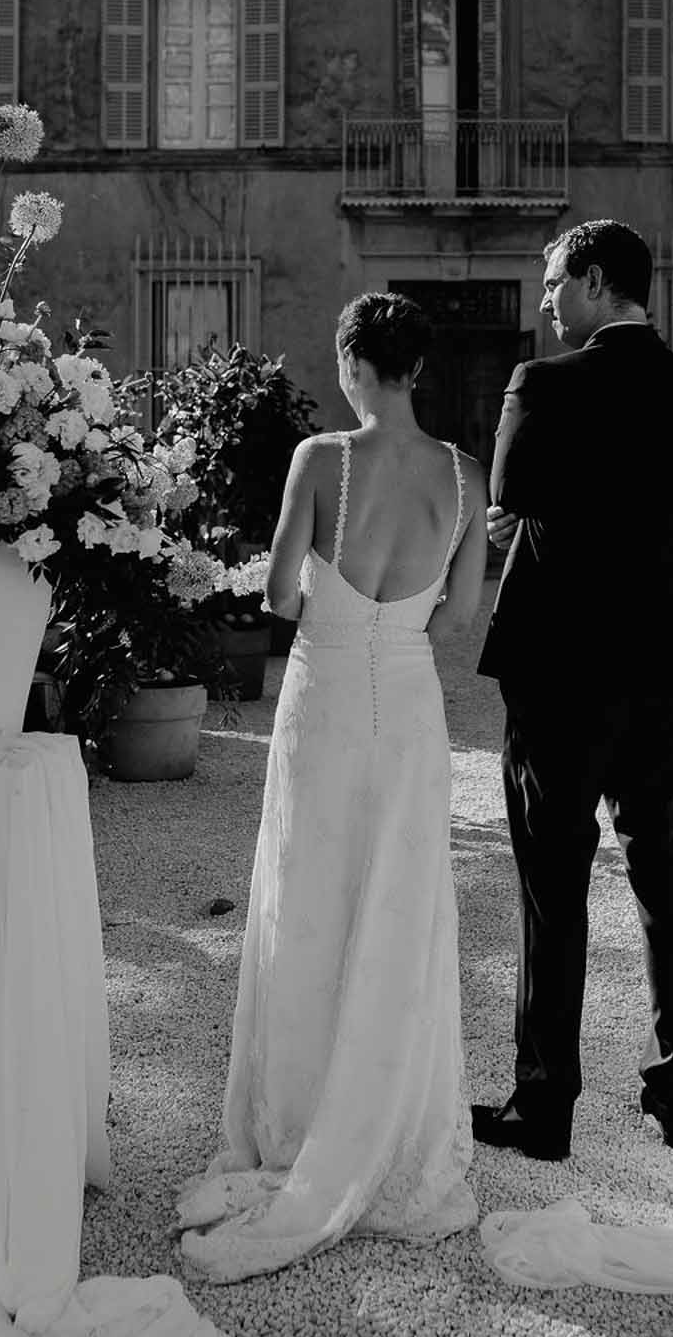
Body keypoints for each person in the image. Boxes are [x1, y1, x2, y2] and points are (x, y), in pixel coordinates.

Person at [175, 292, 488, 1281]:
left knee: (310, 897)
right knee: (398, 906)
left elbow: (275, 592)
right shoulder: (464, 474)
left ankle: (303, 1120)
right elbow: (462, 613)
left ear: (355, 362)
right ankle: (389, 1118)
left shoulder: (322, 459)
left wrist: (326, 598)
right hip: (410, 705)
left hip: (326, 699)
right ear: (419, 368)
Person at [472, 219, 673, 1162]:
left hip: (560, 663)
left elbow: (508, 486)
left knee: (552, 883)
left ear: (590, 278)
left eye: (550, 282)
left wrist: (535, 507)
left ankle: (544, 1106)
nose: (543, 301)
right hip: (661, 657)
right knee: (665, 876)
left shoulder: (544, 381)